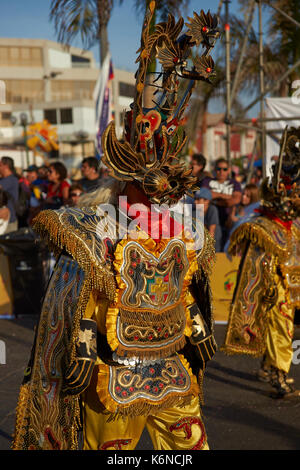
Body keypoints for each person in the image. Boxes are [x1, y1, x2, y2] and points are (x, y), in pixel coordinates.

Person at [13, 4, 220, 451]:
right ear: (127, 171)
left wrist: (197, 324)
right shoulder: (94, 230)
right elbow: (80, 297)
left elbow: (180, 284)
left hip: (170, 367)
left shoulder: (185, 231)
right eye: (150, 172)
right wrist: (85, 345)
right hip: (114, 371)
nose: (161, 184)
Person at [222, 126, 300, 399]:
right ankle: (279, 375)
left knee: (279, 327)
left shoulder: (293, 226)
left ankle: (270, 367)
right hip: (273, 289)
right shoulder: (261, 226)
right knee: (281, 328)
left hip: (287, 287)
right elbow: (253, 262)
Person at [202, 157, 242, 250]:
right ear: (215, 170)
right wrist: (227, 196)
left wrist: (216, 200)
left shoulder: (234, 183)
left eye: (225, 169)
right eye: (219, 169)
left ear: (229, 170)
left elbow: (236, 199)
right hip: (211, 222)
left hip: (229, 220)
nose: (221, 172)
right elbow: (206, 195)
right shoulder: (208, 181)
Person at [194, 188, 222, 252]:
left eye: (198, 199)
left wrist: (205, 251)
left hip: (212, 248)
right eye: (195, 199)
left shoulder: (212, 209)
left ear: (207, 201)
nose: (195, 202)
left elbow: (211, 233)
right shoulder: (194, 212)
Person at [0, 156, 19, 233]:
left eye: (0, 165)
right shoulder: (3, 180)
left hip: (8, 222)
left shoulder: (11, 180)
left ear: (6, 166)